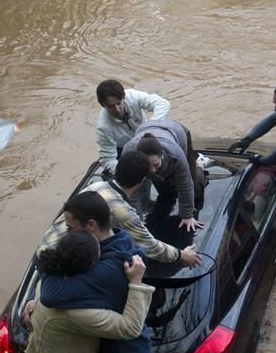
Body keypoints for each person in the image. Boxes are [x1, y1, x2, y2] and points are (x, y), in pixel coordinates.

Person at [15, 224, 153, 353]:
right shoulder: (77, 312)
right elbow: (130, 327)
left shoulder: (50, 281)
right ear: (90, 269)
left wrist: (33, 301)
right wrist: (136, 283)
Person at [40, 150, 202, 268]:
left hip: (44, 248)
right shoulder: (122, 211)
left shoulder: (95, 187)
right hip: (58, 262)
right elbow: (151, 247)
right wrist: (181, 255)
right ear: (142, 181)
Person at [122, 120, 205, 232]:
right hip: (144, 130)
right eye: (147, 166)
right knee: (166, 191)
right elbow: (132, 191)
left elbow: (185, 184)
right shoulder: (129, 155)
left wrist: (187, 215)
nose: (152, 170)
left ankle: (199, 164)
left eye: (155, 165)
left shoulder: (175, 153)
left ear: (161, 156)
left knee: (195, 189)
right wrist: (137, 220)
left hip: (178, 132)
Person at [96, 79, 170, 174]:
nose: (117, 109)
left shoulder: (133, 96)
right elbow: (108, 159)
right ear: (103, 105)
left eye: (118, 103)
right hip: (125, 151)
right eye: (111, 106)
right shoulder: (103, 127)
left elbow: (163, 104)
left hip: (148, 137)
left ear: (123, 98)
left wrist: (151, 126)